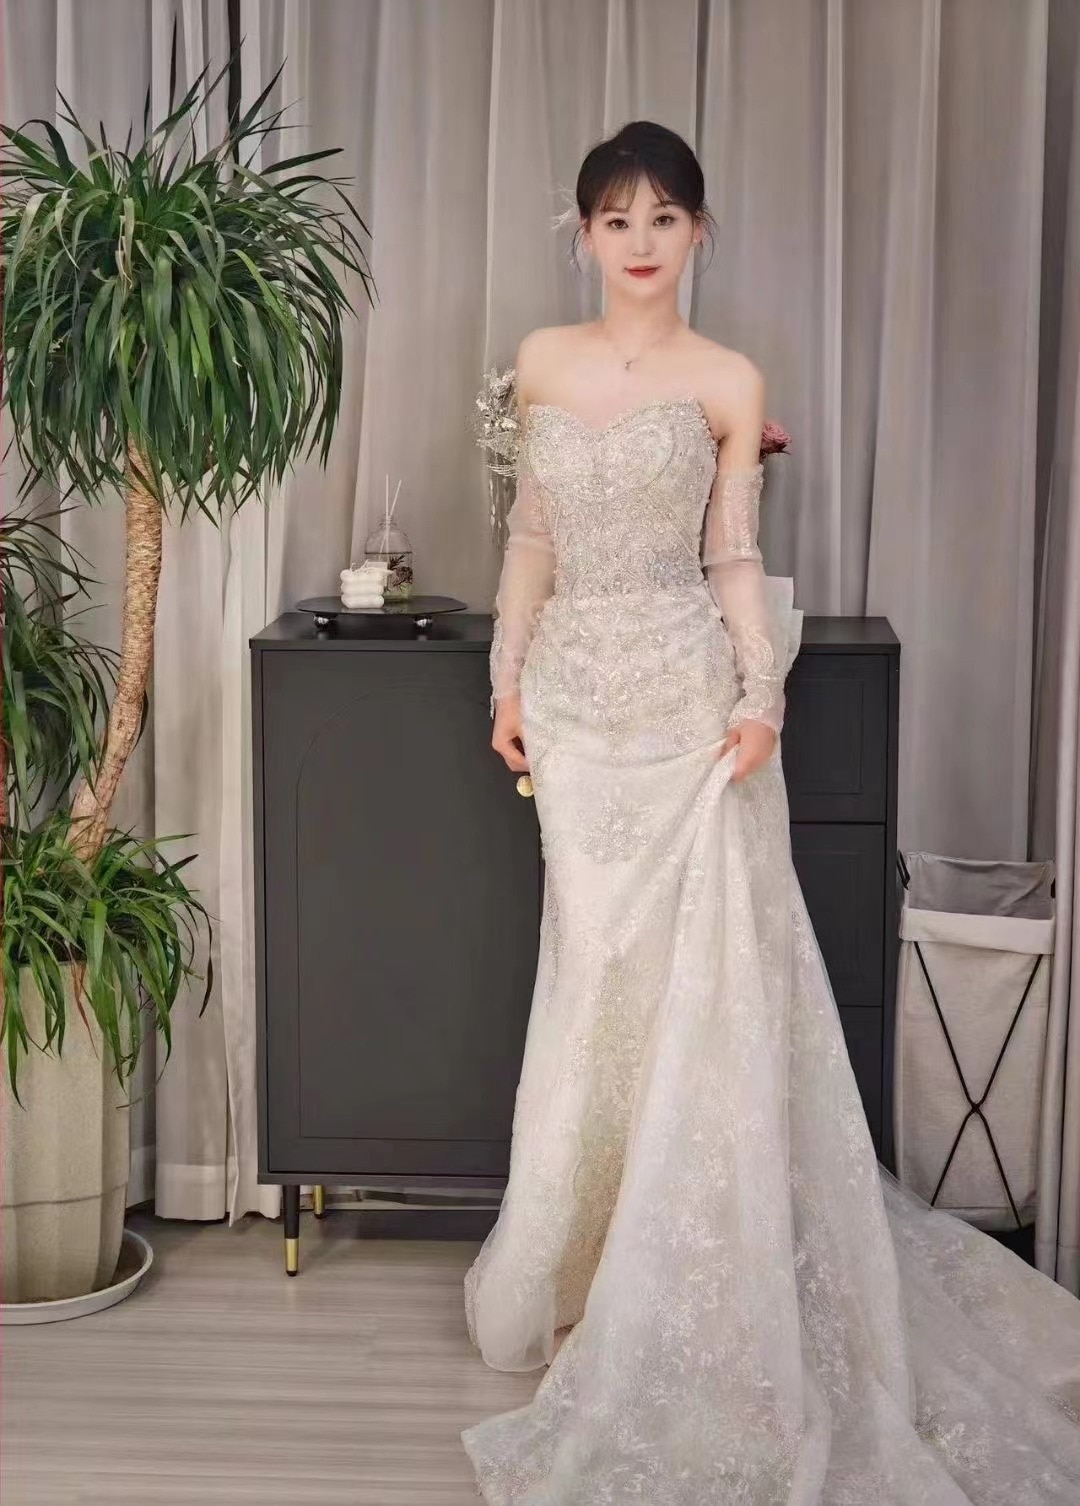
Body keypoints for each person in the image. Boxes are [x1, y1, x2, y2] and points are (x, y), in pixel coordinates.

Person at [461, 120, 1080, 1503]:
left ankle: (681, 1273)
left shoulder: (729, 378)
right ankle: (584, 1261)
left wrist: (760, 698)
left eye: (663, 218)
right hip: (574, 710)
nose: (639, 242)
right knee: (594, 976)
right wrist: (504, 682)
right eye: (615, 219)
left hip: (688, 707)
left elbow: (734, 556)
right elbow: (532, 538)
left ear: (699, 232)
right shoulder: (542, 362)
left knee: (700, 985)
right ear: (583, 233)